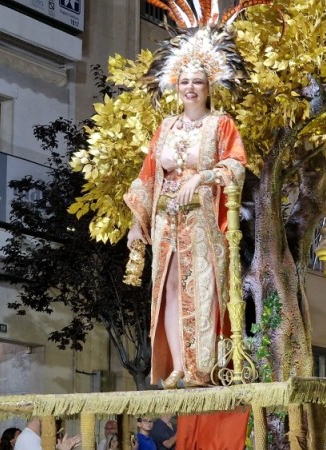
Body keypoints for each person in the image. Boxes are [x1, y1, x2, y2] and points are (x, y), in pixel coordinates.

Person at [125, 21, 248, 389]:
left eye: (197, 81)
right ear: (175, 87)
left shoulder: (221, 124)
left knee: (204, 288)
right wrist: (137, 220)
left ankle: (203, 367)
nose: (190, 88)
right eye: (184, 81)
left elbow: (237, 165)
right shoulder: (165, 127)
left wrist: (202, 176)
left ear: (209, 87)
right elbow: (147, 176)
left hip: (202, 220)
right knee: (169, 291)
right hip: (166, 220)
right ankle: (178, 365)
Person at [15, 417, 81, 450]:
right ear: (39, 418)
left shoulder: (31, 436)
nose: (53, 425)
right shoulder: (27, 437)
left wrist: (58, 447)